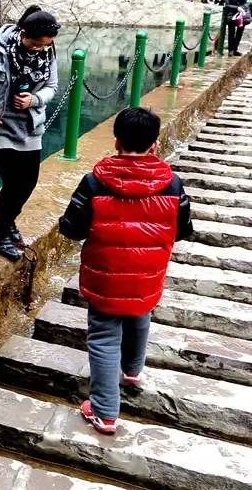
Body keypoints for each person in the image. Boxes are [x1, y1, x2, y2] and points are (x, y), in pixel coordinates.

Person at [56, 106, 193, 436]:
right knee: (140, 314)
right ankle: (132, 371)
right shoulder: (173, 185)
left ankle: (104, 412)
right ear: (154, 145)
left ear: (116, 142)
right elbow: (184, 228)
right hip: (148, 272)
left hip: (105, 273)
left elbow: (72, 229)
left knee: (104, 336)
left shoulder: (94, 182)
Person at [0, 7, 62, 262]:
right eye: (35, 44)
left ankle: (8, 224)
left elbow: (52, 86)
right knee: (13, 183)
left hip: (30, 125)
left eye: (44, 45)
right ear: (23, 34)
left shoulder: (48, 52)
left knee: (28, 183)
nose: (39, 49)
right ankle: (0, 235)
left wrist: (35, 99)